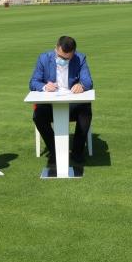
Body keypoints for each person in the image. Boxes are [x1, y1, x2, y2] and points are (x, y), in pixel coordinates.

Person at [29, 36, 93, 166]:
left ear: (73, 53)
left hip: (72, 104)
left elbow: (88, 81)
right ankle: (55, 151)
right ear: (56, 49)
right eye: (60, 56)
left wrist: (81, 86)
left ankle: (77, 152)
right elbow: (33, 82)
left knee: (86, 111)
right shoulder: (43, 58)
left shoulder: (80, 59)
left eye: (67, 58)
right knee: (38, 115)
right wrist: (44, 86)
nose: (62, 60)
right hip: (50, 105)